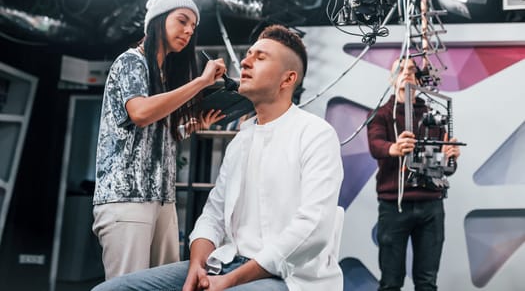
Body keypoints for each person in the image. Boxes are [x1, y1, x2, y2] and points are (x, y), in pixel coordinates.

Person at [92, 24, 344, 291]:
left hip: (288, 276)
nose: (245, 62)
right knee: (109, 290)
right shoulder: (242, 140)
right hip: (226, 262)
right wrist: (196, 267)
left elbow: (312, 228)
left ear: (287, 79)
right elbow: (212, 215)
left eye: (260, 58)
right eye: (248, 55)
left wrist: (230, 280)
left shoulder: (316, 134)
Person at [92, 0, 227, 280]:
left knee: (163, 284)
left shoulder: (163, 76)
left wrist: (187, 128)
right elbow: (139, 113)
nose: (189, 30)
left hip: (161, 198)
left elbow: (148, 134)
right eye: (182, 21)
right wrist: (201, 83)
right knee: (127, 287)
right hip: (127, 197)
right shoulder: (131, 61)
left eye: (193, 26)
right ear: (158, 19)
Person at [366, 58, 461, 291]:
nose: (407, 72)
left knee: (427, 282)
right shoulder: (381, 114)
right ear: (392, 77)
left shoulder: (432, 114)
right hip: (394, 205)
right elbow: (376, 144)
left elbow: (443, 168)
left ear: (419, 79)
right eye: (401, 68)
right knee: (391, 282)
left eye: (412, 69)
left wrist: (449, 157)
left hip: (431, 205)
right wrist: (393, 148)